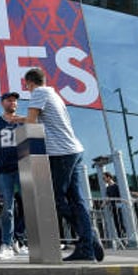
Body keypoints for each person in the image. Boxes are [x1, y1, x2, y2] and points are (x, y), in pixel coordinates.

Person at [24, 67, 103, 263]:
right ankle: (87, 248)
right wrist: (19, 119)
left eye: (27, 86)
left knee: (55, 198)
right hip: (74, 149)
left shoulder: (38, 93)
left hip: (60, 153)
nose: (27, 89)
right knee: (76, 199)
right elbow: (44, 120)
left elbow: (32, 122)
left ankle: (89, 238)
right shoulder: (53, 94)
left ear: (30, 83)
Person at [0, 91, 24, 261]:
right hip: (4, 170)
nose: (13, 103)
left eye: (15, 101)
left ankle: (20, 241)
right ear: (2, 103)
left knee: (28, 207)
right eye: (9, 100)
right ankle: (6, 244)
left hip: (25, 169)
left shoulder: (24, 122)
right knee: (7, 209)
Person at [102, 172, 125, 241]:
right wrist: (103, 204)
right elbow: (108, 198)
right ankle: (122, 240)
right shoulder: (108, 188)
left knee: (121, 223)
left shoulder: (117, 186)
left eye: (104, 177)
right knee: (117, 224)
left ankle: (124, 238)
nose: (103, 179)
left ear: (109, 177)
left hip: (119, 207)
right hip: (113, 208)